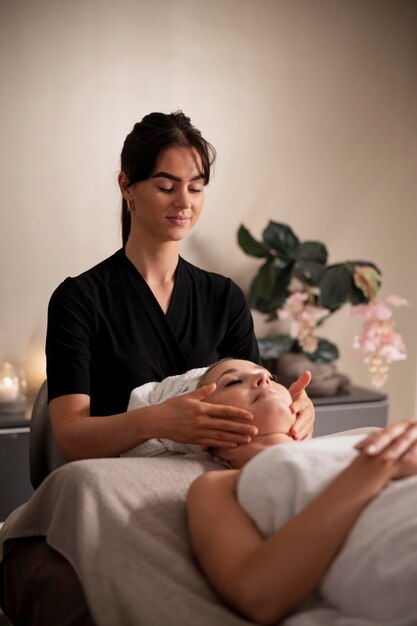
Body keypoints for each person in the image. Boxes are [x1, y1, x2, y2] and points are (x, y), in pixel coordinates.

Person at [0, 111, 315, 625]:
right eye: (166, 185)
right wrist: (162, 420)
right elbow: (72, 437)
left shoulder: (222, 297)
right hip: (127, 486)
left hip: (219, 483)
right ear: (126, 185)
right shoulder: (80, 299)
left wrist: (297, 412)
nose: (184, 202)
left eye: (196, 186)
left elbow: (259, 401)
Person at [187, 359, 417, 625]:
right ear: (203, 427)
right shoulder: (217, 486)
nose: (263, 380)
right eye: (233, 381)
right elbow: (258, 596)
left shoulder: (363, 439)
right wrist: (374, 469)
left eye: (270, 376)